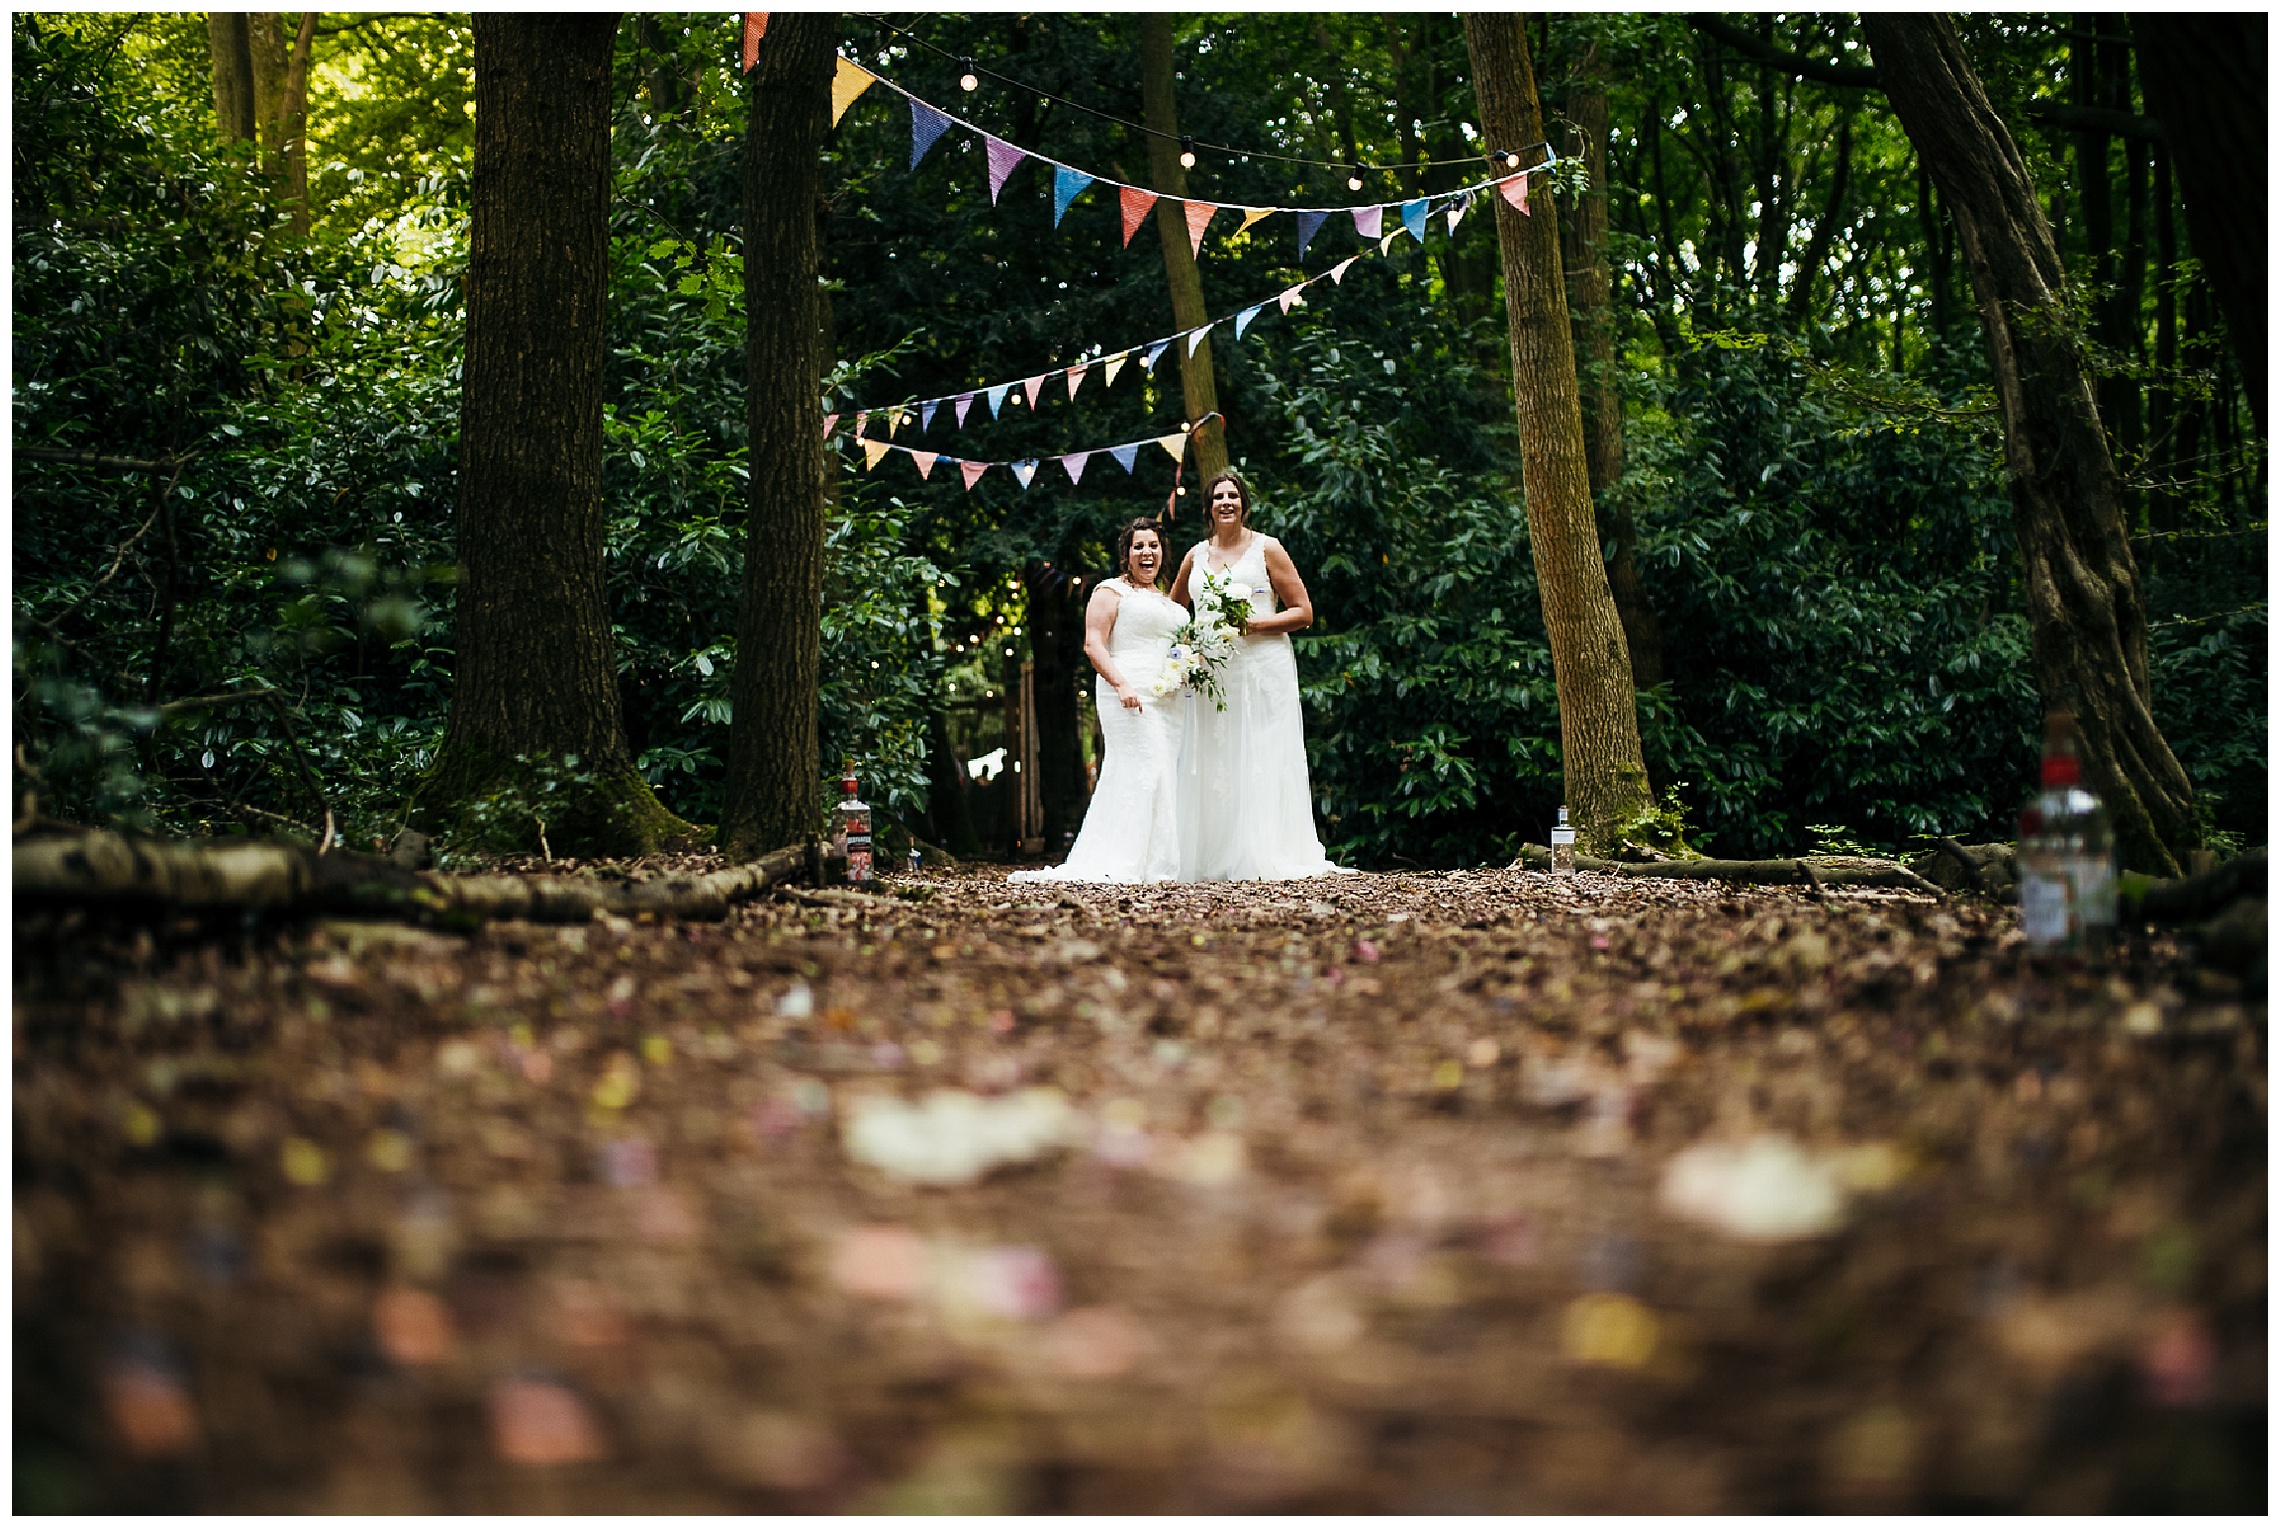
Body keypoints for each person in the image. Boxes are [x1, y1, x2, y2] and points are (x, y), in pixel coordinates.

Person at [1168, 470, 1352, 881]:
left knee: (1263, 754)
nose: (1226, 502)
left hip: (1262, 667)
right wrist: (1183, 651)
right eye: (1218, 497)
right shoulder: (1195, 556)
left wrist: (1255, 624)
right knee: (1216, 756)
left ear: (1244, 504)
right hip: (1213, 673)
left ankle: (1265, 851)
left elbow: (1303, 611)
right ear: (1208, 507)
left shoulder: (1267, 549)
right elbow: (1174, 610)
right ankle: (1213, 854)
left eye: (1233, 495)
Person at [1010, 519, 1188, 884]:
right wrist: (1121, 684)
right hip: (1128, 694)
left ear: (1162, 551)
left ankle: (1158, 863)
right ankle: (1125, 861)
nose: (1147, 553)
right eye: (1138, 546)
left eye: (1153, 545)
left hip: (1169, 697)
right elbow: (1093, 643)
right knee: (1145, 770)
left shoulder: (1164, 598)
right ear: (1126, 554)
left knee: (1164, 775)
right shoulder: (1110, 591)